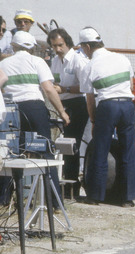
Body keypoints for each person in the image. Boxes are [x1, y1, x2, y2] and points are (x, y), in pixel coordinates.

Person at [0, 31, 70, 203]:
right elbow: (48, 89)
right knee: (45, 151)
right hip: (34, 107)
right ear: (31, 47)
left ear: (14, 46)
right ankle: (53, 200)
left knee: (9, 153)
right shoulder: (37, 61)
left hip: (11, 108)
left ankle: (4, 198)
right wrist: (62, 111)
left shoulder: (4, 63)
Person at [78, 27, 135, 206]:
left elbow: (90, 98)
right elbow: (131, 86)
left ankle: (95, 196)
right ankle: (128, 198)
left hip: (108, 105)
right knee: (128, 151)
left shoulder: (89, 66)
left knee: (100, 150)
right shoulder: (122, 58)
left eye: (82, 47)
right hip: (127, 105)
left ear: (87, 46)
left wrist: (94, 120)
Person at [48, 28, 89, 199]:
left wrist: (64, 89)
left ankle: (73, 183)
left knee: (73, 144)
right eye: (54, 46)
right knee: (62, 145)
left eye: (60, 45)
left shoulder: (78, 60)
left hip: (77, 103)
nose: (57, 49)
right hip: (61, 103)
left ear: (68, 43)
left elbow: (86, 87)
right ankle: (63, 182)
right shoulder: (56, 61)